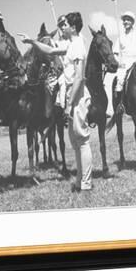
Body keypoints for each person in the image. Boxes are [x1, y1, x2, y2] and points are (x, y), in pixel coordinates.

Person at [19, 12, 92, 192]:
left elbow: (79, 78)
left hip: (78, 95)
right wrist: (32, 42)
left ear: (73, 27)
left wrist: (68, 104)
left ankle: (86, 183)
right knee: (75, 142)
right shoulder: (69, 44)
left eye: (64, 25)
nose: (61, 27)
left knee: (82, 140)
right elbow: (50, 50)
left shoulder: (78, 46)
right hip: (70, 95)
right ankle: (80, 180)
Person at [113, 11, 136, 115]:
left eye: (128, 19)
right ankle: (120, 104)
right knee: (119, 79)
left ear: (132, 22)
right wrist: (119, 63)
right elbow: (115, 53)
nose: (125, 22)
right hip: (125, 62)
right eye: (124, 20)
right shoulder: (120, 38)